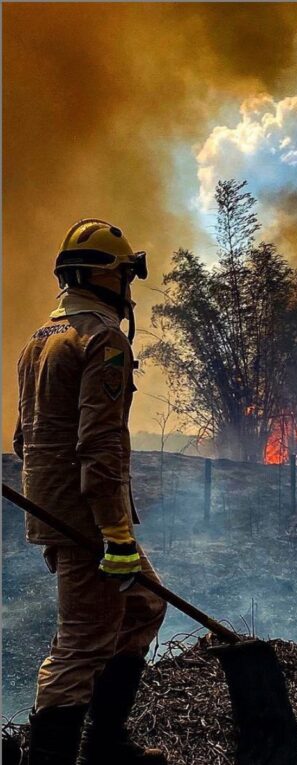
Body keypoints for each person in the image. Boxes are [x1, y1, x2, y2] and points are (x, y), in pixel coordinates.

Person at [13, 220, 168, 765]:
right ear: (107, 276)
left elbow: (21, 437)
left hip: (56, 508)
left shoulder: (39, 340)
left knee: (145, 604)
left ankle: (107, 746)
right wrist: (115, 532)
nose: (129, 286)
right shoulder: (103, 339)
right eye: (127, 273)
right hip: (86, 519)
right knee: (81, 641)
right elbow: (100, 445)